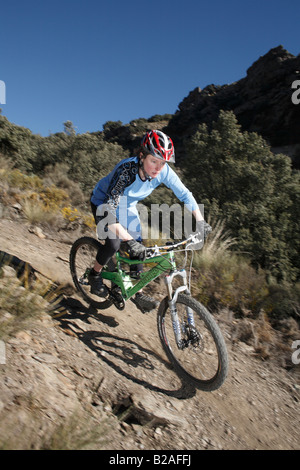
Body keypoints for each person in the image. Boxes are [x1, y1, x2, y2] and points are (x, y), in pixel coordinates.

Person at [89, 129, 211, 313]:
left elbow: (185, 195)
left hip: (128, 206)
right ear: (142, 156)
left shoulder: (164, 172)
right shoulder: (126, 170)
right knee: (114, 243)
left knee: (139, 248)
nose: (158, 167)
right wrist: (127, 240)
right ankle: (94, 274)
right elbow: (109, 209)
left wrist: (200, 221)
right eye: (154, 160)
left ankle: (135, 292)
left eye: (162, 162)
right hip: (103, 202)